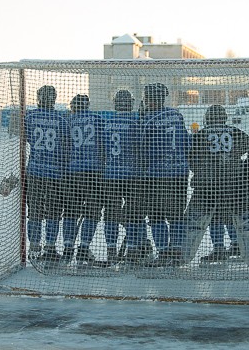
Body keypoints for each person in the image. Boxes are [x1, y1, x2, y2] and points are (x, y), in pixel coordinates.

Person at [187, 105, 249, 266]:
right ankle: (237, 245)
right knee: (234, 213)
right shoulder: (234, 132)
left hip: (209, 186)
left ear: (208, 118)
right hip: (235, 184)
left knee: (214, 216)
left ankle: (219, 249)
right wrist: (245, 166)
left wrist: (200, 171)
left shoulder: (201, 135)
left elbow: (191, 157)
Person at [140, 83, 190, 266]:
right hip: (179, 172)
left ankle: (162, 252)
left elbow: (142, 148)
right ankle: (176, 252)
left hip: (157, 174)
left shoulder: (147, 119)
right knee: (176, 214)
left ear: (150, 99)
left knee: (156, 215)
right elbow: (186, 141)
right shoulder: (177, 115)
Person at [24, 85, 70, 265]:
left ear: (38, 98)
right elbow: (66, 145)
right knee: (53, 211)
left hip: (35, 170)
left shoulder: (30, 116)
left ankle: (34, 246)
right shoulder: (61, 118)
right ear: (54, 98)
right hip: (54, 172)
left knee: (34, 210)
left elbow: (27, 138)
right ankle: (50, 247)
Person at [102, 90, 146, 265]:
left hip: (111, 175)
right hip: (132, 175)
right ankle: (134, 250)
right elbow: (143, 149)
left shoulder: (107, 123)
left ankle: (111, 250)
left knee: (111, 214)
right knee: (135, 214)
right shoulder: (137, 123)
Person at [61, 94, 105, 266]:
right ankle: (84, 249)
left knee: (71, 212)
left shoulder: (67, 121)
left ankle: (67, 249)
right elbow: (103, 144)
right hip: (93, 172)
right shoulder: (97, 119)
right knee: (92, 212)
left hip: (72, 172)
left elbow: (63, 146)